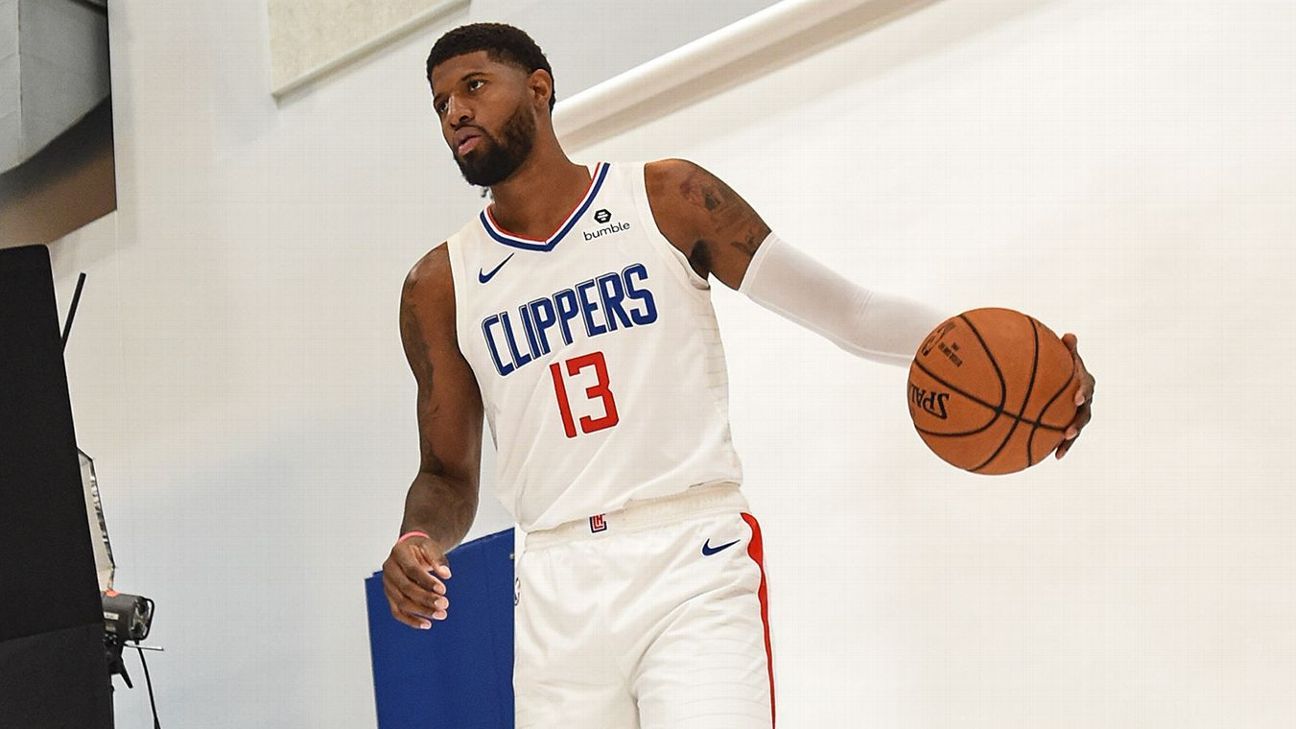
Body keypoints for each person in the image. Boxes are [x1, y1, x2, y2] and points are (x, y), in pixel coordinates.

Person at [382, 22, 1095, 729]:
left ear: (539, 88)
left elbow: (850, 310)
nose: (455, 113)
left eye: (473, 86)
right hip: (553, 584)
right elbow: (446, 474)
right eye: (440, 103)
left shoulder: (665, 197)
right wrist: (418, 537)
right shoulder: (440, 285)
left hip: (688, 558)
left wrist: (1028, 350)